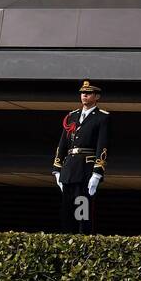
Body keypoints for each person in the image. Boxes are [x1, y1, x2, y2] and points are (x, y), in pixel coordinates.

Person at [52, 80, 110, 235]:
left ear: (96, 96)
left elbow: (102, 146)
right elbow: (62, 144)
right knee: (66, 211)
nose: (84, 95)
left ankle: (82, 241)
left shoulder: (102, 117)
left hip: (85, 170)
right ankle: (67, 240)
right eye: (82, 93)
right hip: (69, 169)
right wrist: (57, 169)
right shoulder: (72, 116)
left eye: (88, 93)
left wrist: (97, 173)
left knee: (82, 210)